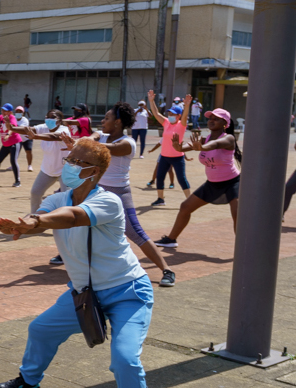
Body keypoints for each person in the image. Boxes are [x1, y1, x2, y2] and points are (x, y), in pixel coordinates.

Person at [0, 138, 156, 388]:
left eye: (77, 162)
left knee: (124, 359)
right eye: (70, 158)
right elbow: (44, 215)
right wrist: (23, 224)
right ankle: (28, 382)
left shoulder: (109, 202)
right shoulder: (58, 198)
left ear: (94, 172)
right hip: (84, 293)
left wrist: (36, 222)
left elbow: (73, 217)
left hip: (127, 291)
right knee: (40, 329)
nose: (68, 164)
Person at [90, 103, 175, 287]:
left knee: (135, 232)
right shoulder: (102, 135)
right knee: (81, 225)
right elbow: (95, 136)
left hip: (119, 194)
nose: (102, 121)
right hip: (98, 192)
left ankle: (167, 270)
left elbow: (105, 148)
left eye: (107, 118)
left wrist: (86, 143)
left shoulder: (127, 143)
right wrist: (88, 138)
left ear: (118, 122)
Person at [154, 108, 241, 248]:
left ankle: (243, 247)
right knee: (185, 207)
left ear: (225, 123)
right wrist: (178, 147)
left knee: (237, 214)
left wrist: (202, 148)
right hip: (212, 184)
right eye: (210, 118)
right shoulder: (204, 139)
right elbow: (187, 147)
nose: (211, 120)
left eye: (216, 118)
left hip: (233, 182)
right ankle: (171, 239)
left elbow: (215, 145)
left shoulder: (228, 138)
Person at [6, 110, 72, 266]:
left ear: (60, 120)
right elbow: (29, 130)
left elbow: (54, 137)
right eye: (47, 117)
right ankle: (36, 221)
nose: (49, 120)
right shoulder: (43, 127)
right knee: (35, 193)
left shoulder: (64, 130)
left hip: (65, 171)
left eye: (53, 118)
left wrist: (36, 137)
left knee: (68, 202)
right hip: (47, 170)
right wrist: (12, 127)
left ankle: (68, 232)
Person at [147, 90, 192, 206]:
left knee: (181, 179)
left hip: (177, 157)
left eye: (173, 114)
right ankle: (160, 199)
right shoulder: (166, 122)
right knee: (160, 177)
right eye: (169, 114)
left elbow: (185, 115)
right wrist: (151, 101)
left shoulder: (181, 125)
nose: (170, 116)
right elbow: (156, 113)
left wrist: (187, 106)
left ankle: (190, 201)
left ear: (178, 116)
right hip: (164, 156)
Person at [15, 105, 33, 172]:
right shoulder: (13, 118)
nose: (18, 113)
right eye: (17, 111)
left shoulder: (25, 120)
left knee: (28, 151)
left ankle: (29, 165)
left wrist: (13, 127)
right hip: (17, 139)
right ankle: (13, 164)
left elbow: (21, 128)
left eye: (20, 111)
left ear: (23, 113)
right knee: (15, 152)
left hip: (26, 138)